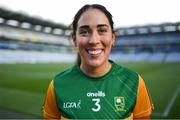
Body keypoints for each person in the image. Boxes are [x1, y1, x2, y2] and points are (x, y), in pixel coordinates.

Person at [42, 4, 154, 119]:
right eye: (84, 32)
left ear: (113, 38)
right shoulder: (57, 85)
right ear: (74, 39)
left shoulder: (134, 82)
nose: (94, 40)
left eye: (102, 30)